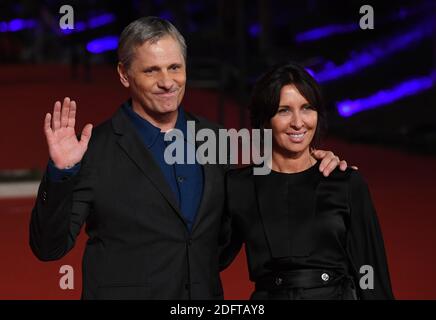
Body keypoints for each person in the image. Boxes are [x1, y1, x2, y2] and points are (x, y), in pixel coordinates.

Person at [29, 17, 349, 300]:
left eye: (174, 67)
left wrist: (313, 163)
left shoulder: (216, 139)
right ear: (124, 74)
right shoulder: (95, 148)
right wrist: (61, 172)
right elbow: (48, 248)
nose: (167, 82)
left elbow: (226, 238)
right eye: (151, 70)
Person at [222, 62, 394, 300]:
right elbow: (205, 258)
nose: (298, 122)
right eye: (284, 110)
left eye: (307, 108)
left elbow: (372, 275)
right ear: (264, 119)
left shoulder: (346, 183)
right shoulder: (238, 186)